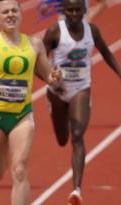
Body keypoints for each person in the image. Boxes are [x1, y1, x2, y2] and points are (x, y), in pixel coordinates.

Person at [0, 0, 63, 204]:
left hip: (22, 115)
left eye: (14, 10)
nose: (10, 14)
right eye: (5, 12)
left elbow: (48, 76)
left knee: (20, 169)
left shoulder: (34, 44)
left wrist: (55, 77)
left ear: (21, 14)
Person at [42, 0, 121, 204]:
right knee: (62, 139)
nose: (74, 13)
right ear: (64, 11)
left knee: (78, 135)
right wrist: (49, 77)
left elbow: (107, 53)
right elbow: (37, 60)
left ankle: (76, 190)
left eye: (78, 9)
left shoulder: (92, 30)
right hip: (57, 91)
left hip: (80, 88)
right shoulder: (54, 32)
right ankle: (58, 111)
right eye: (70, 10)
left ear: (85, 10)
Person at [37, 0, 107, 22]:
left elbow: (103, 3)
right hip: (63, 26)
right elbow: (44, 8)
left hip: (82, 27)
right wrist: (44, 6)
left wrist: (89, 18)